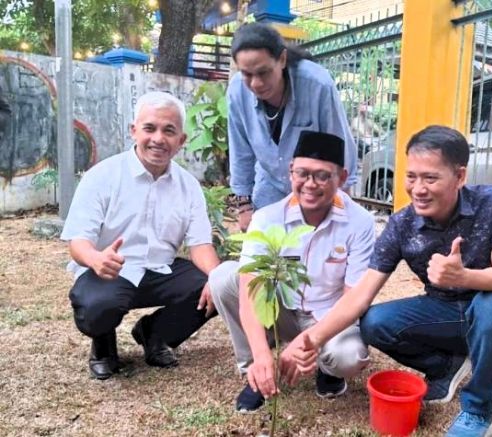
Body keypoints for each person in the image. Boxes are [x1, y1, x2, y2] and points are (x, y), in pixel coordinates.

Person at [284, 125, 492, 436]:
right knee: (374, 322)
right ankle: (445, 368)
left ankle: (479, 411)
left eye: (430, 178)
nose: (418, 188)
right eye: (411, 177)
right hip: (443, 312)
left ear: (460, 176)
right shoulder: (402, 224)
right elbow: (361, 295)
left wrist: (463, 276)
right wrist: (310, 340)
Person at [208, 130, 374, 413]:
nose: (310, 184)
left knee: (349, 356)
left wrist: (308, 341)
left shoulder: (361, 222)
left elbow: (353, 298)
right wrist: (263, 354)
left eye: (322, 176)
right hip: (280, 311)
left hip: (327, 317)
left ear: (342, 178)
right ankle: (257, 373)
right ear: (290, 172)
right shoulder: (267, 218)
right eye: (302, 173)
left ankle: (328, 370)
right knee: (224, 278)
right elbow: (251, 289)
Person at [61, 91, 220, 380]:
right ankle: (103, 346)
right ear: (134, 131)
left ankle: (155, 334)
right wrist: (95, 258)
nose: (158, 138)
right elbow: (78, 242)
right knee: (98, 306)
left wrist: (220, 278)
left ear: (181, 140)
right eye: (149, 128)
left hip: (160, 269)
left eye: (169, 130)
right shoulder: (102, 176)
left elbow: (200, 245)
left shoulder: (188, 186)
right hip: (110, 270)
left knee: (218, 287)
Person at [227, 22, 358, 230]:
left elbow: (339, 145)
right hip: (269, 185)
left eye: (263, 72)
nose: (256, 84)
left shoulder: (318, 85)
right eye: (247, 74)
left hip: (315, 187)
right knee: (268, 253)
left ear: (282, 59)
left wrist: (344, 207)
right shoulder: (236, 91)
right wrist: (244, 207)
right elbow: (240, 150)